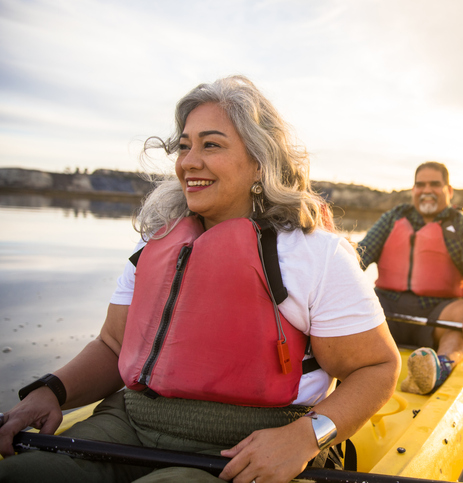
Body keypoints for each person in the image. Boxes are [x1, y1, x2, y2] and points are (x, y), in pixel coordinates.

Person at [0, 75, 401, 483]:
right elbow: (112, 344)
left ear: (260, 161)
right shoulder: (156, 244)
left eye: (211, 145)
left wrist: (305, 437)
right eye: (184, 146)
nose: (188, 161)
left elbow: (377, 367)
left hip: (247, 446)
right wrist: (52, 391)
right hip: (129, 426)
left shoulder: (314, 254)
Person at [356, 161, 463, 395]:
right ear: (413, 190)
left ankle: (440, 366)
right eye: (420, 185)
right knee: (351, 299)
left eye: (435, 184)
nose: (426, 190)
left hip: (438, 313)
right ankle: (345, 363)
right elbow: (361, 254)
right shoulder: (393, 218)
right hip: (386, 310)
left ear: (449, 191)